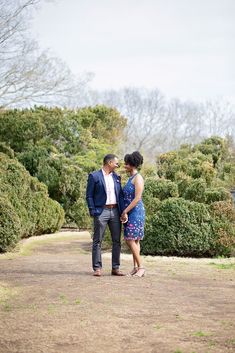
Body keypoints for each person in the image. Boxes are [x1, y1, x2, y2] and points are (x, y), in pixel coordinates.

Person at [86, 154, 127, 277]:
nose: (117, 165)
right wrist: (93, 210)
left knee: (116, 241)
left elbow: (120, 196)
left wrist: (123, 211)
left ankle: (115, 268)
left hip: (115, 211)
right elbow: (89, 196)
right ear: (109, 163)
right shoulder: (94, 176)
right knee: (97, 240)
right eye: (116, 163)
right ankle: (97, 268)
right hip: (101, 211)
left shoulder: (117, 177)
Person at [121, 151, 145, 277]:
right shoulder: (131, 178)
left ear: (131, 164)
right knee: (134, 240)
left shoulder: (138, 178)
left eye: (126, 164)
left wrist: (125, 211)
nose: (124, 166)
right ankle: (135, 267)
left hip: (135, 212)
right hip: (130, 212)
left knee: (130, 239)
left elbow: (137, 198)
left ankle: (141, 267)